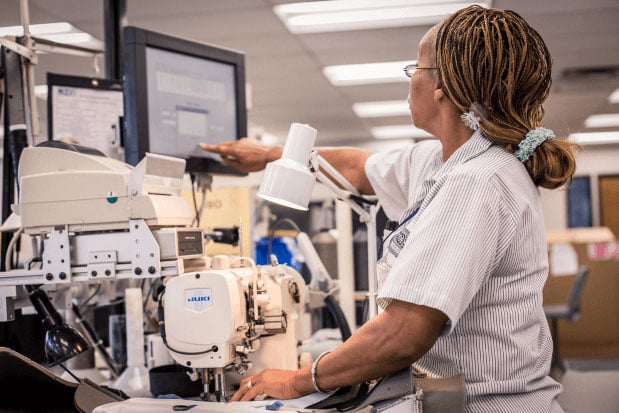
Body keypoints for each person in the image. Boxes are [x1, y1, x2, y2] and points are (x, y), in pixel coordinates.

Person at [201, 5, 576, 412]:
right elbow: (358, 168)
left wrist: (297, 380)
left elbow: (403, 334)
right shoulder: (442, 161)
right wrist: (272, 156)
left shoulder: (478, 181)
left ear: (441, 86)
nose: (410, 79)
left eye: (415, 68)